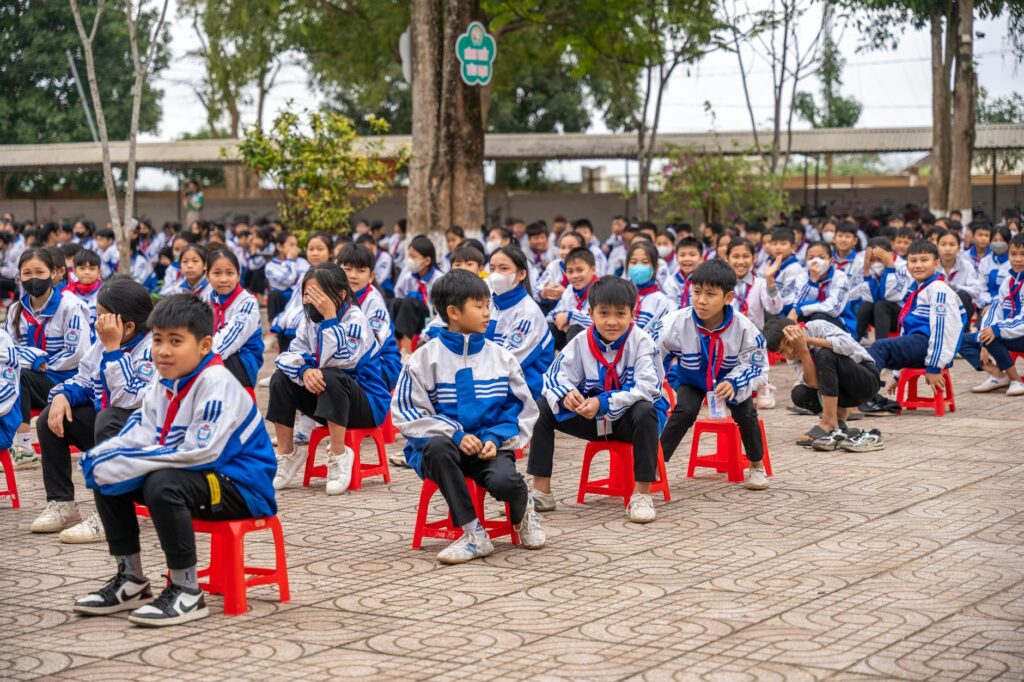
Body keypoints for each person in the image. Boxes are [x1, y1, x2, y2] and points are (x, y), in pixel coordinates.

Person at [73, 294, 276, 627]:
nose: (163, 350)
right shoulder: (163, 383)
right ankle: (131, 579)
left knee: (161, 482)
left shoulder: (217, 382)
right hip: (199, 478)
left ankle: (186, 589)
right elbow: (139, 431)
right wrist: (106, 457)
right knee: (107, 473)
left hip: (240, 487)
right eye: (157, 340)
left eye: (176, 341)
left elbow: (201, 451)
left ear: (204, 344)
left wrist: (132, 461)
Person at [391, 270, 544, 564]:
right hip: (446, 451)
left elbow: (521, 407)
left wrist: (494, 437)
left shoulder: (501, 357)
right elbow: (407, 411)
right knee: (436, 447)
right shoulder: (425, 358)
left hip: (490, 448)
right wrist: (455, 434)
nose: (488, 313)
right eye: (479, 306)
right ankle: (474, 533)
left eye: (489, 305)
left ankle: (524, 510)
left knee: (506, 482)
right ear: (453, 312)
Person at [529, 276, 667, 522]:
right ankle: (541, 492)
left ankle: (642, 495)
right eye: (604, 313)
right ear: (591, 313)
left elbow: (649, 387)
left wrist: (603, 402)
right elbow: (553, 378)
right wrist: (567, 395)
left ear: (632, 313)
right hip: (592, 418)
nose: (612, 321)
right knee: (543, 408)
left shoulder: (643, 342)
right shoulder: (580, 342)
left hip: (628, 422)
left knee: (646, 410)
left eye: (620, 314)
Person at [30, 278, 156, 543]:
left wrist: (113, 350)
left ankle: (111, 515)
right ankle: (62, 503)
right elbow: (85, 379)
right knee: (49, 419)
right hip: (108, 429)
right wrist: (62, 395)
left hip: (144, 439)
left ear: (129, 326)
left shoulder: (152, 349)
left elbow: (128, 397)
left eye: (102, 316)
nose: (96, 323)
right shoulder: (104, 342)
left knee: (109, 418)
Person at [268, 264, 391, 494]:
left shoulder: (356, 319)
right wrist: (304, 370)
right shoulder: (308, 322)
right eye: (307, 294)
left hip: (366, 404)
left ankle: (339, 453)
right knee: (280, 379)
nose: (310, 300)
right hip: (328, 401)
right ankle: (288, 453)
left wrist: (330, 318)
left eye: (318, 295)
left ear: (340, 295)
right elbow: (289, 355)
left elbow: (340, 360)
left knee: (332, 376)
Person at [654, 259, 770, 490]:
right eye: (696, 292)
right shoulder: (674, 322)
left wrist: (735, 382)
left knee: (746, 413)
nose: (701, 300)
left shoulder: (744, 327)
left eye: (710, 294)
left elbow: (757, 365)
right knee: (684, 411)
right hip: (693, 379)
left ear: (728, 298)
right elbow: (651, 352)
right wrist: (659, 385)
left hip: (730, 380)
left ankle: (757, 465)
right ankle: (656, 465)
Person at [5, 248, 92, 469]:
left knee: (21, 376)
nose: (33, 279)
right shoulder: (16, 310)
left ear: (53, 273)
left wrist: (44, 366)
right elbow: (7, 350)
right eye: (27, 273)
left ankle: (23, 448)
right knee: (8, 375)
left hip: (64, 380)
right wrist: (34, 359)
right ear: (19, 276)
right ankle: (5, 443)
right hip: (31, 380)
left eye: (39, 272)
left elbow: (77, 353)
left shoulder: (69, 306)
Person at [861, 240, 966, 412]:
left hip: (927, 345)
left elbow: (943, 330)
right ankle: (864, 395)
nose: (918, 265)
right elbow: (905, 332)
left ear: (936, 263)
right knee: (869, 352)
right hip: (918, 344)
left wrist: (934, 366)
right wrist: (898, 374)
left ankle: (863, 396)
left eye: (924, 260)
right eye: (913, 260)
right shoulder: (917, 289)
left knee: (880, 346)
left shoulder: (938, 288)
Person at [764, 316, 882, 451]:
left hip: (864, 382)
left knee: (825, 354)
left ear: (798, 329)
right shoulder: (794, 357)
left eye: (789, 343)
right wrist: (803, 350)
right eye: (783, 351)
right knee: (800, 393)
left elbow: (847, 345)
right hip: (841, 391)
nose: (790, 351)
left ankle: (828, 422)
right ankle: (839, 425)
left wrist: (807, 340)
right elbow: (814, 384)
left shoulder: (817, 326)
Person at [487, 246, 554, 398]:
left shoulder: (528, 312)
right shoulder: (489, 302)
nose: (496, 274)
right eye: (492, 268)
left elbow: (510, 362)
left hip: (523, 386)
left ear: (521, 274)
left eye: (503, 268)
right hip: (492, 378)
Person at [961, 233, 1024, 396]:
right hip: (1012, 332)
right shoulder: (1008, 281)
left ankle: (1016, 380)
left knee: (993, 335)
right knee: (961, 339)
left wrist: (996, 330)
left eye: (1023, 255)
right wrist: (986, 331)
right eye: (1013, 254)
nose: (1017, 259)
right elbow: (996, 308)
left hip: (1019, 333)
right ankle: (998, 375)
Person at [337, 244, 402, 391]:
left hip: (381, 365)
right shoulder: (335, 294)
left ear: (371, 276)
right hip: (347, 358)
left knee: (334, 377)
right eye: (347, 269)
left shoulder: (375, 304)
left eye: (360, 271)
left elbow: (368, 348)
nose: (353, 275)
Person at [204, 248, 264, 388]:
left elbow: (230, 340)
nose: (224, 279)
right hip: (211, 352)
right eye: (217, 273)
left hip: (243, 361)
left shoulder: (247, 302)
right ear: (207, 276)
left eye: (230, 273)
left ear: (238, 275)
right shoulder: (206, 299)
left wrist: (197, 356)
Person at [271, 232, 333, 354]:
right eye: (311, 249)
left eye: (320, 249)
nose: (315, 253)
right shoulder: (306, 272)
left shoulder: (332, 275)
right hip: (296, 316)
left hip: (315, 320)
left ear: (330, 252)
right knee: (285, 321)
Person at [390, 235, 442, 357]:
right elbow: (398, 293)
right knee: (396, 302)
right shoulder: (408, 274)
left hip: (428, 317)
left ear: (427, 261)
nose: (410, 260)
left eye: (414, 257)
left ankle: (406, 351)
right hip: (407, 316)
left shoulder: (439, 279)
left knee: (410, 301)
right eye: (409, 256)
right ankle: (395, 344)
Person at [789, 240, 854, 331]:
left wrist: (799, 309)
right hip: (809, 318)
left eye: (821, 257)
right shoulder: (802, 277)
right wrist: (812, 281)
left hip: (839, 321)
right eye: (811, 258)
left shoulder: (840, 276)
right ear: (806, 261)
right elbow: (798, 303)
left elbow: (833, 309)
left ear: (831, 261)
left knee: (818, 317)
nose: (816, 261)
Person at [853, 237, 907, 342]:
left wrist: (890, 268)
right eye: (872, 260)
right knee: (866, 305)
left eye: (879, 259)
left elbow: (891, 296)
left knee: (881, 305)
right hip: (881, 317)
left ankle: (880, 345)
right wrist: (866, 273)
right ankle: (853, 342)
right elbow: (870, 298)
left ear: (890, 254)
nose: (876, 263)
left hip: (901, 317)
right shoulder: (868, 267)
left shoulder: (902, 268)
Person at [547, 247, 598, 348]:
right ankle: (552, 361)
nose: (574, 276)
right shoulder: (569, 290)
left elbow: (598, 321)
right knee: (550, 328)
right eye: (570, 271)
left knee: (575, 330)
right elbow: (551, 314)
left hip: (596, 340)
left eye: (580, 270)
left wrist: (570, 316)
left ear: (593, 269)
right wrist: (558, 318)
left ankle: (575, 362)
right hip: (569, 334)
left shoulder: (601, 289)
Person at [936, 228, 983, 324]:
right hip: (938, 307)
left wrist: (954, 286)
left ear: (958, 248)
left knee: (963, 295)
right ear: (937, 246)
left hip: (960, 307)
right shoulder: (933, 266)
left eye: (952, 245)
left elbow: (976, 291)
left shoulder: (966, 265)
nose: (947, 248)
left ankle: (963, 333)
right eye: (943, 244)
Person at [625, 241, 673, 332]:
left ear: (656, 267)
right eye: (634, 262)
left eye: (645, 262)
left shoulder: (660, 300)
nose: (638, 267)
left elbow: (659, 333)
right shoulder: (622, 294)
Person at [537, 231, 585, 316]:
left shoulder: (587, 268)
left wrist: (565, 293)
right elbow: (537, 289)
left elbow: (588, 297)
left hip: (578, 315)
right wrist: (544, 293)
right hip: (554, 311)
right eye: (562, 247)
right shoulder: (554, 265)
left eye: (571, 248)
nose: (566, 252)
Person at [265, 232, 307, 322]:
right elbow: (289, 280)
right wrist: (290, 260)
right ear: (280, 247)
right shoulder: (270, 266)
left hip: (300, 299)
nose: (295, 248)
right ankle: (273, 329)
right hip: (281, 301)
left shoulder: (302, 261)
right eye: (291, 245)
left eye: (296, 245)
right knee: (273, 295)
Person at [662, 236, 703, 309]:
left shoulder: (705, 280)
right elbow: (669, 305)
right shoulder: (671, 282)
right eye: (682, 255)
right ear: (677, 258)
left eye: (692, 255)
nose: (687, 259)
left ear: (701, 258)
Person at [66, 249, 104, 326]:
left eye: (92, 268)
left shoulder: (105, 292)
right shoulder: (68, 293)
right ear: (74, 271)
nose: (87, 272)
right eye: (82, 268)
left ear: (99, 271)